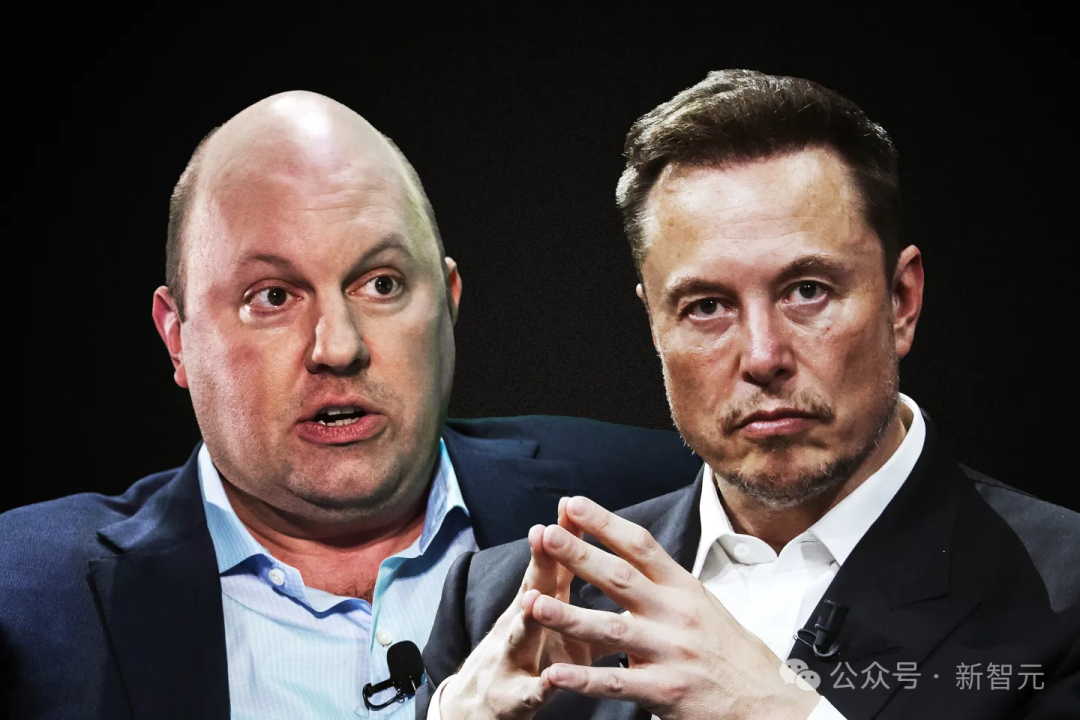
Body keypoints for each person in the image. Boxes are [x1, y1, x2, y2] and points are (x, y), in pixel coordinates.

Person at [0, 92, 702, 720]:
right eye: (272, 297)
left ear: (448, 304)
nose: (338, 347)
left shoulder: (660, 494)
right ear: (177, 338)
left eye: (381, 284)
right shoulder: (24, 594)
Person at [420, 70, 1080, 720]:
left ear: (901, 301)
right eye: (707, 306)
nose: (764, 357)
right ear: (655, 325)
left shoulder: (1065, 588)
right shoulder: (499, 606)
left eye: (808, 291)